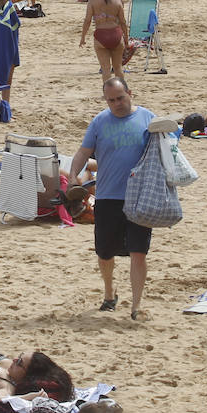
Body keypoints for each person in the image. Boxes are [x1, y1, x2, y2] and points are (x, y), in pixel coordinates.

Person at [69, 77, 160, 320]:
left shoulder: (148, 119)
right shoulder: (99, 122)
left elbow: (166, 151)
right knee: (104, 252)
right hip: (108, 195)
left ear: (130, 93)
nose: (117, 104)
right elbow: (83, 152)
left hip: (140, 196)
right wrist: (71, 179)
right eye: (111, 100)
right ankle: (110, 293)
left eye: (120, 98)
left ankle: (136, 306)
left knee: (138, 251)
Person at [80, 0, 128, 82]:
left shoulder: (93, 1)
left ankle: (108, 94)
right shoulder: (117, 1)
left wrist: (83, 37)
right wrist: (126, 37)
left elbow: (87, 20)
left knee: (106, 69)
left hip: (101, 35)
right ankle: (122, 92)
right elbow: (122, 21)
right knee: (118, 68)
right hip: (116, 34)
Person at [0, 350, 74, 402]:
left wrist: (27, 397)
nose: (14, 359)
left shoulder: (7, 387)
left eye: (19, 362)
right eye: (19, 356)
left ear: (27, 375)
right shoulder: (11, 369)